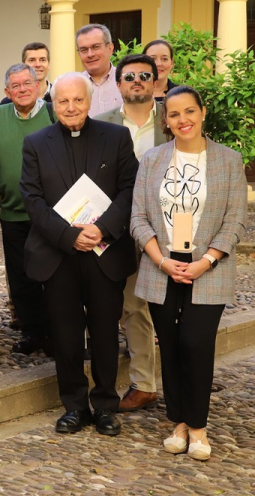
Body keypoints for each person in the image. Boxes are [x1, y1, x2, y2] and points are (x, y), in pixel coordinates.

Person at [131, 85, 246, 461]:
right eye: (175, 114)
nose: (183, 120)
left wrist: (206, 260)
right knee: (171, 345)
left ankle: (198, 427)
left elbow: (234, 220)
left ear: (203, 112)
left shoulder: (229, 160)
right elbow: (138, 218)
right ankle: (178, 422)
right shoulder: (152, 159)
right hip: (161, 266)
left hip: (208, 268)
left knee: (196, 344)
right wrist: (162, 260)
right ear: (166, 120)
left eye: (189, 112)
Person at [21, 72, 138, 436]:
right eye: (63, 101)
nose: (71, 108)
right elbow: (32, 199)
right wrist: (69, 235)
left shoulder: (116, 137)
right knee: (66, 333)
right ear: (52, 104)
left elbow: (130, 188)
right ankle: (74, 405)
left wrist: (102, 229)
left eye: (78, 100)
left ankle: (105, 405)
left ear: (90, 102)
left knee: (105, 332)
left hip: (104, 250)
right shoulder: (36, 142)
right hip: (60, 254)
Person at [94, 54, 169, 412]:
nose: (136, 81)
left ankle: (184, 379)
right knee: (133, 306)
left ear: (156, 82)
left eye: (144, 75)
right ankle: (144, 384)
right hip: (120, 230)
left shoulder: (174, 121)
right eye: (129, 77)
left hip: (169, 230)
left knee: (174, 309)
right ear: (118, 84)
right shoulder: (101, 125)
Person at [0, 64, 55, 356]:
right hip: (13, 212)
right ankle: (32, 333)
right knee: (21, 279)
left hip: (49, 215)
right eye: (15, 86)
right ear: (7, 92)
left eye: (27, 83)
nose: (22, 90)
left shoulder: (53, 114)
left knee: (52, 278)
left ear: (38, 85)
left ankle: (56, 334)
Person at [75, 24, 122, 117]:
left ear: (110, 48)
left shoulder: (127, 81)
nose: (90, 54)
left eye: (96, 47)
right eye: (84, 50)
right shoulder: (74, 85)